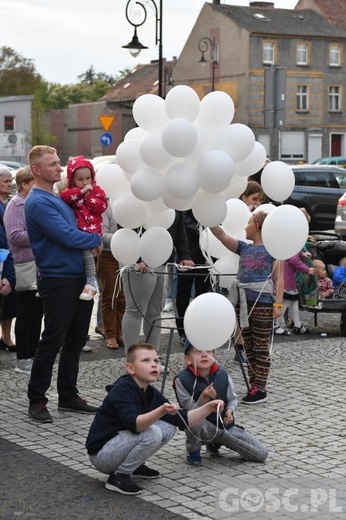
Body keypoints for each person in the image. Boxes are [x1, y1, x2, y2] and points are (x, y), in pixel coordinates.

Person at [25, 145, 103, 423]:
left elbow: (81, 225)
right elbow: (68, 235)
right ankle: (37, 399)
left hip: (79, 277)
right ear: (37, 170)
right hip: (58, 279)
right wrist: (98, 240)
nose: (60, 168)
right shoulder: (38, 202)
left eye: (59, 163)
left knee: (76, 339)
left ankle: (68, 394)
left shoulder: (56, 197)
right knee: (53, 340)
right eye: (53, 164)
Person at [85, 342, 224, 496]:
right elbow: (134, 424)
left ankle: (134, 466)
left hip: (119, 447)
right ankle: (119, 477)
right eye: (146, 361)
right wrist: (161, 410)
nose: (153, 365)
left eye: (156, 361)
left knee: (168, 425)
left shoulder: (150, 391)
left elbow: (182, 420)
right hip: (102, 455)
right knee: (153, 432)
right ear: (130, 368)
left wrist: (208, 407)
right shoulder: (122, 389)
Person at [210, 212, 284, 404]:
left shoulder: (274, 251)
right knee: (249, 345)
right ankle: (253, 385)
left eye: (249, 223)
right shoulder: (244, 248)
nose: (245, 227)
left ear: (258, 225)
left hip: (262, 302)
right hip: (243, 302)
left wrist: (278, 304)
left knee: (260, 346)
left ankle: (261, 387)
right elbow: (221, 235)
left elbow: (279, 279)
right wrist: (208, 218)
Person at [174, 339, 268, 465]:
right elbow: (191, 411)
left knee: (261, 454)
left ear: (214, 356)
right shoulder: (181, 380)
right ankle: (193, 450)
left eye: (208, 351)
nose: (204, 355)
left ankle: (216, 443)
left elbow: (232, 399)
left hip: (224, 426)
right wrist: (203, 398)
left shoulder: (223, 374)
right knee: (195, 421)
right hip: (201, 427)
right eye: (198, 352)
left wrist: (230, 411)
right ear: (188, 359)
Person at [121, 211, 193, 354]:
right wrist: (136, 257)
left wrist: (184, 254)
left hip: (164, 261)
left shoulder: (170, 200)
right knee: (135, 310)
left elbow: (179, 227)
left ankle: (152, 356)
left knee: (155, 311)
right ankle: (132, 358)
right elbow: (127, 222)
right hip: (140, 263)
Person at [3, 166, 44, 374]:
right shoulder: (16, 205)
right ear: (24, 184)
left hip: (39, 266)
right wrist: (41, 236)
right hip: (25, 265)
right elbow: (15, 236)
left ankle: (33, 353)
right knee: (25, 313)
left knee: (37, 313)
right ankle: (23, 358)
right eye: (33, 183)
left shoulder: (33, 203)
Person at [60, 155, 108, 301]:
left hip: (92, 232)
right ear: (71, 179)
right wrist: (80, 193)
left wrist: (88, 197)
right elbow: (65, 197)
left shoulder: (97, 191)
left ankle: (91, 282)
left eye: (88, 178)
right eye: (80, 180)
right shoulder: (71, 192)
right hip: (77, 231)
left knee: (87, 256)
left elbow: (102, 207)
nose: (85, 183)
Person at [175, 210, 212, 345]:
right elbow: (183, 224)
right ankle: (183, 330)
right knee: (183, 295)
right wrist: (204, 229)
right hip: (187, 255)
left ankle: (200, 327)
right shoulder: (185, 205)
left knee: (203, 295)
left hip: (207, 257)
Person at [97, 200, 126, 349]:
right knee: (110, 295)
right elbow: (102, 234)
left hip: (127, 253)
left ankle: (120, 331)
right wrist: (125, 239)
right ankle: (110, 334)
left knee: (123, 297)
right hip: (108, 254)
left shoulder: (127, 200)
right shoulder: (105, 204)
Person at [274, 253, 315, 335]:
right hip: (286, 279)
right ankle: (276, 325)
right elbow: (293, 259)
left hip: (286, 277)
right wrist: (307, 269)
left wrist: (301, 254)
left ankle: (297, 325)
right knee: (284, 302)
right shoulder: (292, 246)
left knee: (294, 301)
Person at [0, 165, 16, 352]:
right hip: (1, 256)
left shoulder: (10, 203)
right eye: (6, 181)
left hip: (12, 258)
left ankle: (6, 336)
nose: (10, 185)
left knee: (11, 300)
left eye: (11, 181)